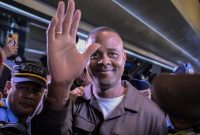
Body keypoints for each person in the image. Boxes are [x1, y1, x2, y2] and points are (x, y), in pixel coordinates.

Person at [31, 0, 167, 135]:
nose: (104, 61)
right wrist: (59, 85)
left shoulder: (152, 115)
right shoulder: (71, 102)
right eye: (95, 55)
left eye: (112, 54)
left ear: (124, 58)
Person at [0, 63, 46, 134]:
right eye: (23, 88)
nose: (30, 96)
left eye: (36, 90)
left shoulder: (41, 122)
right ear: (8, 86)